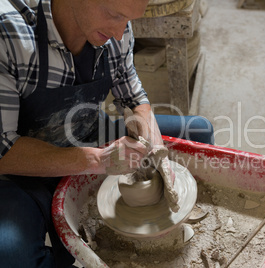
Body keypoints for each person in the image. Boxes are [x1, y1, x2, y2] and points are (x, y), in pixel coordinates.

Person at [0, 0, 214, 266]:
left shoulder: (118, 30)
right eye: (114, 15)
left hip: (87, 131)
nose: (119, 32)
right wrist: (99, 161)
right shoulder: (8, 33)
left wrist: (156, 149)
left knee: (199, 131)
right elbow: (4, 150)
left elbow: (134, 99)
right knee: (11, 255)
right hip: (21, 172)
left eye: (127, 20)